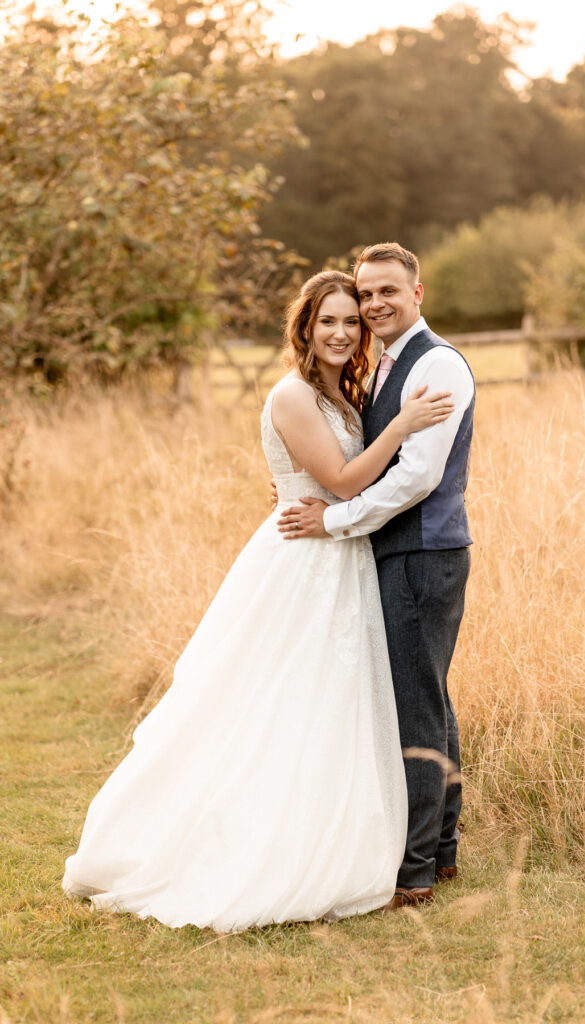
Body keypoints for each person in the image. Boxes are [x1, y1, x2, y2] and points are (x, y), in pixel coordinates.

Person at [62, 270, 455, 933]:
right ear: (304, 327)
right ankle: (240, 844)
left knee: (329, 704)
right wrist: (403, 426)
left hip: (339, 556)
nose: (340, 332)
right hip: (303, 562)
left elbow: (322, 480)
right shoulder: (294, 393)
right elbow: (339, 477)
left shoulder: (340, 392)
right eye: (326, 321)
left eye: (350, 322)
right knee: (277, 699)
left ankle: (332, 831)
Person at [277, 243, 475, 909]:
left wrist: (333, 522)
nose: (373, 304)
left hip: (422, 552)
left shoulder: (437, 362)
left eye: (387, 290)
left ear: (417, 293)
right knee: (428, 699)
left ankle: (414, 870)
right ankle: (439, 852)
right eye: (366, 295)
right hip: (398, 551)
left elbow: (417, 478)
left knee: (416, 709)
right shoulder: (382, 366)